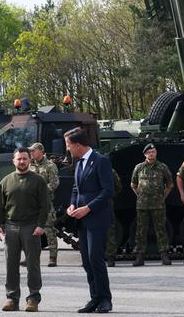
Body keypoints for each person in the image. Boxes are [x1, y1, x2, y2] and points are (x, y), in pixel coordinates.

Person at [65, 127, 114, 313]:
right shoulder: (78, 164)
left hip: (96, 218)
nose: (68, 149)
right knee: (86, 260)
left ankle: (105, 299)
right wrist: (72, 204)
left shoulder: (101, 161)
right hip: (81, 220)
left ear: (78, 145)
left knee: (96, 258)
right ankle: (94, 298)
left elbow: (107, 191)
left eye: (69, 145)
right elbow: (76, 189)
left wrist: (88, 207)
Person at [0, 148, 49, 312]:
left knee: (33, 265)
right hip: (11, 228)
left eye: (25, 159)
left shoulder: (38, 181)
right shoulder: (5, 181)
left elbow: (45, 206)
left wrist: (41, 225)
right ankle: (12, 298)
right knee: (11, 265)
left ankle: (33, 298)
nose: (22, 162)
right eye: (19, 159)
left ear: (29, 160)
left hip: (31, 228)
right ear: (13, 161)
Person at [131, 143, 173, 266]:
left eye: (153, 151)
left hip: (158, 205)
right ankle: (139, 257)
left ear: (156, 153)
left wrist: (162, 197)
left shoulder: (162, 167)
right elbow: (133, 184)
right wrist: (140, 195)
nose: (151, 154)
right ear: (145, 154)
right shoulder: (139, 167)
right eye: (149, 152)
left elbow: (170, 184)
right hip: (142, 205)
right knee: (141, 231)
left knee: (161, 230)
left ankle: (164, 255)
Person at [29, 142, 60, 267]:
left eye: (33, 151)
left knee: (49, 230)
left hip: (45, 203)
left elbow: (54, 184)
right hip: (31, 204)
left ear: (41, 151)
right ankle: (31, 258)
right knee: (30, 231)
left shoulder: (50, 166)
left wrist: (39, 190)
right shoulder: (29, 165)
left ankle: (53, 258)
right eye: (30, 151)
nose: (31, 153)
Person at [106, 170, 123, 267]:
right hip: (90, 204)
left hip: (106, 203)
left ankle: (110, 256)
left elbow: (118, 187)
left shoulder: (110, 171)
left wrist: (109, 195)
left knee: (110, 231)